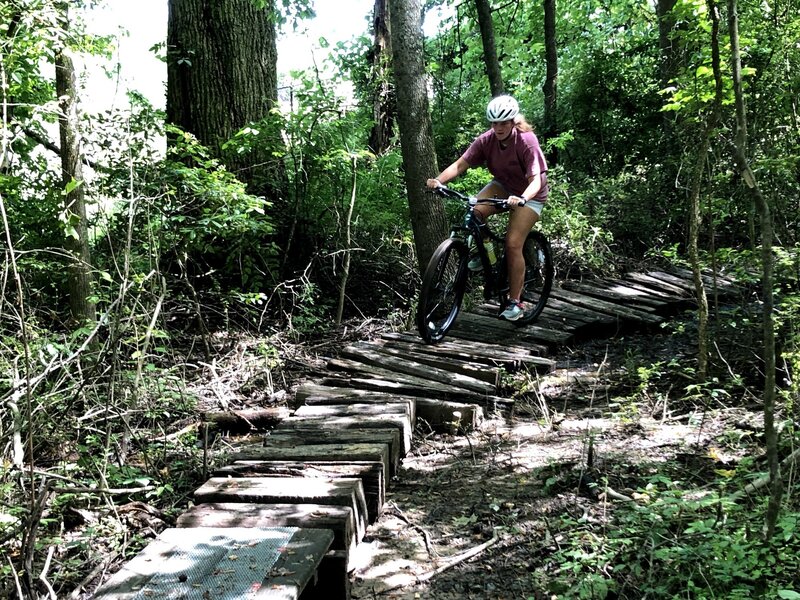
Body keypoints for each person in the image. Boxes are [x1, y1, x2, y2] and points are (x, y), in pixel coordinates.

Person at [426, 95, 549, 321]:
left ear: (513, 122)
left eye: (503, 123)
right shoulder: (486, 140)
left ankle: (515, 302)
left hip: (530, 195)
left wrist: (522, 198)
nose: (498, 128)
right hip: (504, 186)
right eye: (494, 123)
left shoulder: (526, 141)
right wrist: (438, 181)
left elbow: (536, 180)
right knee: (476, 211)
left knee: (513, 243)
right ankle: (486, 254)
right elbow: (460, 164)